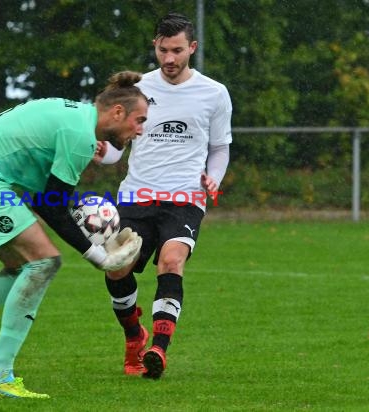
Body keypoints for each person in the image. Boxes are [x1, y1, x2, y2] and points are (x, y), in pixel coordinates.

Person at [0, 71, 148, 399]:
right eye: (139, 120)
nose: (140, 129)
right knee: (44, 262)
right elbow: (52, 208)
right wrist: (99, 256)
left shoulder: (75, 120)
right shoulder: (79, 133)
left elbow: (51, 198)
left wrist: (95, 233)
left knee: (22, 267)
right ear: (117, 112)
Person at [101, 13, 232, 379]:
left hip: (185, 196)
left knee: (172, 262)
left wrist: (214, 179)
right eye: (163, 50)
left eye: (177, 50)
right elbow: (117, 145)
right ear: (154, 47)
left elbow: (220, 147)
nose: (170, 59)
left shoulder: (214, 93)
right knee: (117, 269)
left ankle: (158, 348)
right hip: (135, 195)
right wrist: (103, 153)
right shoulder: (138, 88)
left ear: (192, 47)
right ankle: (134, 337)